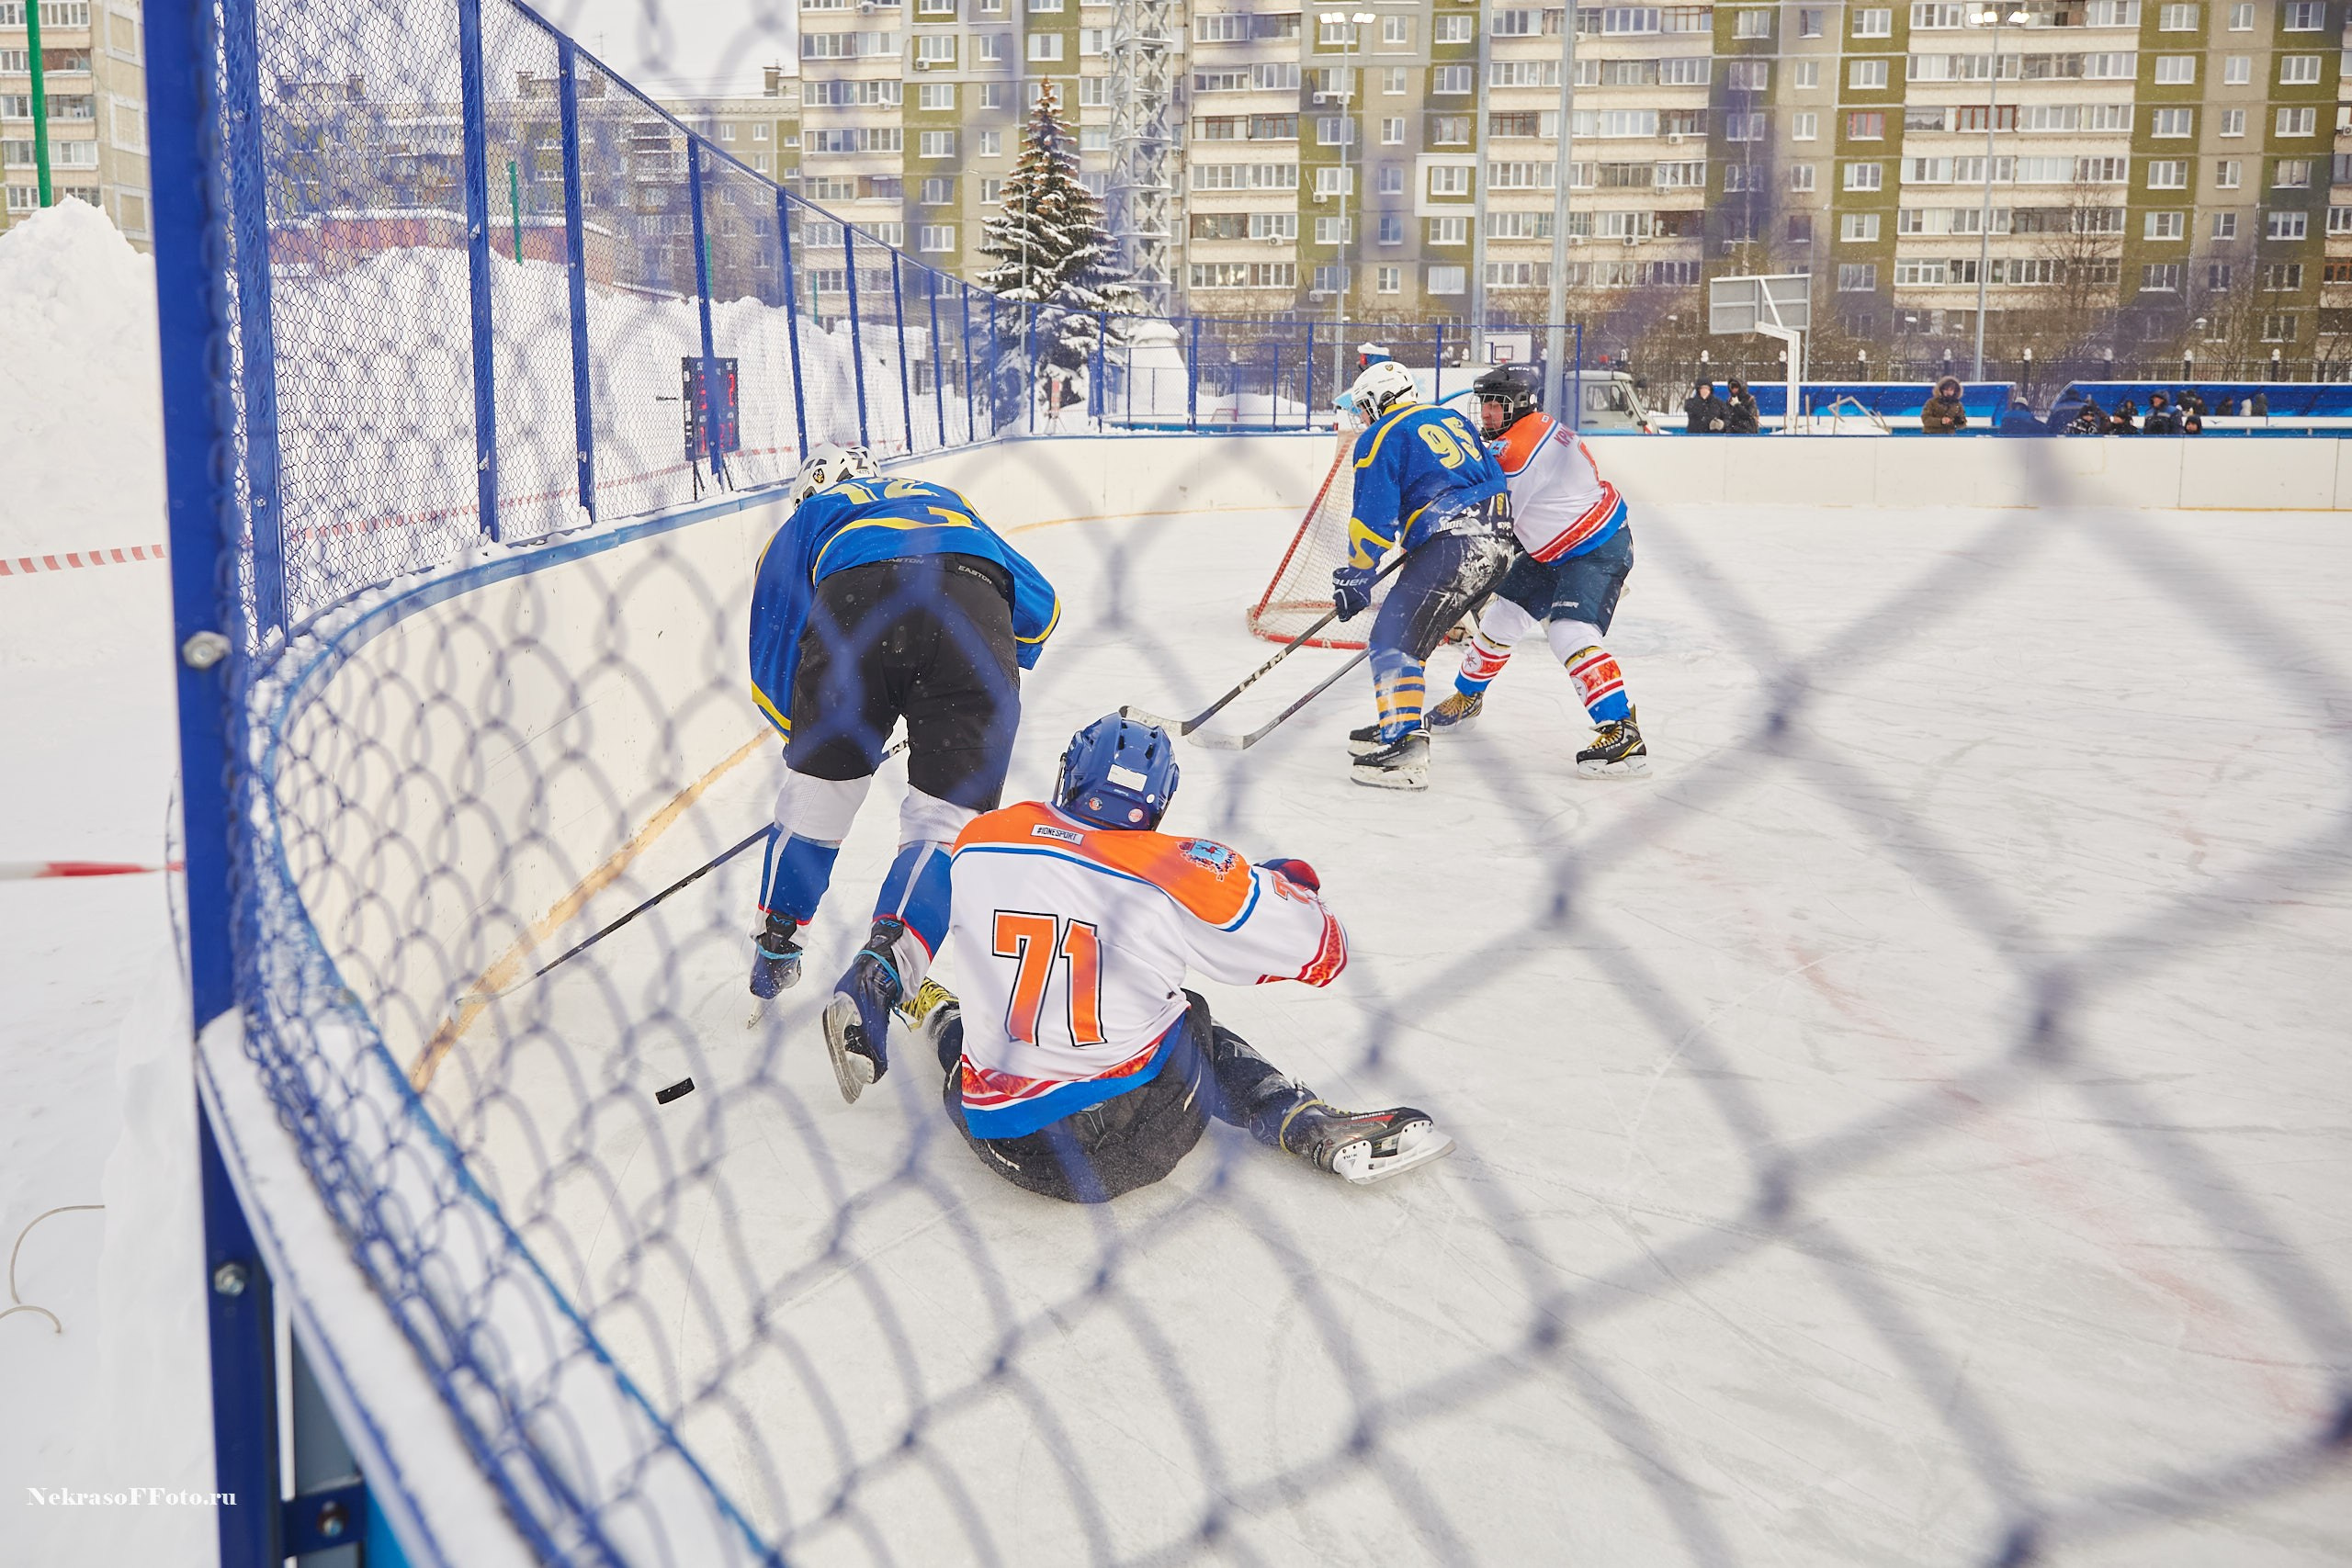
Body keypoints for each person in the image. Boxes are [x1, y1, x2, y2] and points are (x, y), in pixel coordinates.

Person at [831, 715, 1454, 1199]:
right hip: (1134, 1140)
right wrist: (1281, 883)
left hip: (999, 1141)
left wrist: (889, 956)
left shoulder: (981, 838)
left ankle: (929, 1007)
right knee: (1187, 1015)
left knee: (981, 1039)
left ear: (1069, 773)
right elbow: (1326, 950)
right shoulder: (1174, 868)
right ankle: (1297, 1118)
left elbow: (936, 883)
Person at [744, 443, 1062, 1057]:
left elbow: (771, 656)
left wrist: (816, 742)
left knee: (818, 800)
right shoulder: (946, 500)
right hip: (976, 613)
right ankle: (882, 971)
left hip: (857, 602)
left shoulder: (811, 516)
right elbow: (1040, 610)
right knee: (946, 830)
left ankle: (774, 951)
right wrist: (956, 682)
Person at [1423, 365, 1649, 777]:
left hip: (1595, 549)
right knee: (1502, 618)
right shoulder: (1527, 432)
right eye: (1485, 403)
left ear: (1522, 404)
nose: (1488, 412)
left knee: (1568, 632)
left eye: (1498, 404)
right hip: (1551, 549)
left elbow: (1496, 522)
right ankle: (1467, 696)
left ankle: (1622, 733)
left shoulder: (1518, 449)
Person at [1328, 358, 1512, 791]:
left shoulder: (1381, 435)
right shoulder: (1451, 418)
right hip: (1498, 540)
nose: (1362, 416)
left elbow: (1371, 515)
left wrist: (1359, 572)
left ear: (1377, 401)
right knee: (1415, 635)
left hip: (1454, 545)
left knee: (1391, 637)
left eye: (1363, 406)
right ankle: (1398, 720)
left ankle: (1406, 744)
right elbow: (1493, 474)